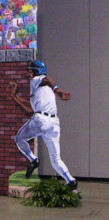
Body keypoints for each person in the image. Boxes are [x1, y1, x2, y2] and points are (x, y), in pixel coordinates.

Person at [9, 60, 78, 191]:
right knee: (55, 158)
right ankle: (71, 181)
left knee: (19, 139)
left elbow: (47, 80)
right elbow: (30, 108)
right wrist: (14, 96)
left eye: (30, 71)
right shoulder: (43, 91)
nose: (29, 73)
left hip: (41, 121)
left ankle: (33, 160)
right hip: (54, 124)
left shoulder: (36, 80)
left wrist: (58, 90)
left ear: (36, 71)